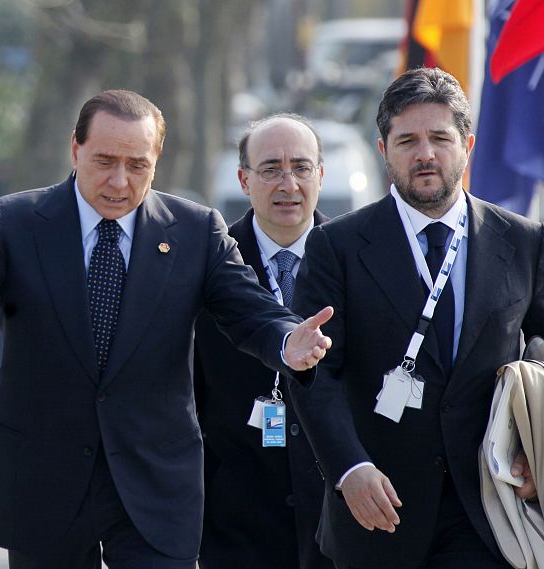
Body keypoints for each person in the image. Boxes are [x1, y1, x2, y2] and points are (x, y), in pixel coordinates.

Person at [0, 90, 333, 569]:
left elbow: (249, 310)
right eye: (105, 161)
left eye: (137, 165)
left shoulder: (195, 231)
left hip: (154, 481)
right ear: (75, 150)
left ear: (156, 161)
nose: (119, 181)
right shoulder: (16, 222)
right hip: (46, 480)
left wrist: (289, 340)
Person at [287, 67, 544, 569]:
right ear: (383, 150)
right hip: (377, 514)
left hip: (495, 512)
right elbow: (314, 376)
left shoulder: (523, 242)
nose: (424, 154)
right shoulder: (336, 247)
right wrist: (349, 468)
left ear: (467, 145)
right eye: (406, 140)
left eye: (439, 138)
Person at [194, 113, 333, 569]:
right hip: (236, 522)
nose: (288, 183)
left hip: (340, 517)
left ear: (321, 175)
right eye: (271, 168)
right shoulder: (206, 266)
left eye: (301, 167)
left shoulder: (359, 260)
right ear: (244, 179)